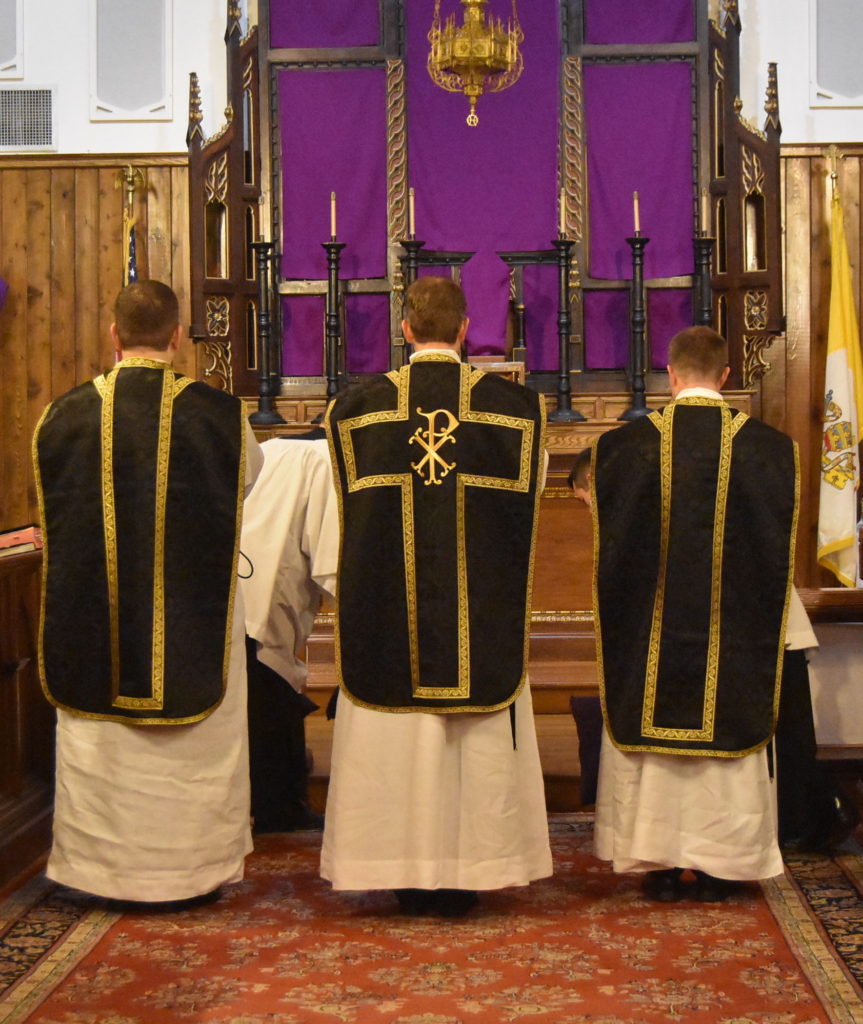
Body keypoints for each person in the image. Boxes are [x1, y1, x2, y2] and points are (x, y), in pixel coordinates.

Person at [321, 276, 552, 916]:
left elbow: (343, 519)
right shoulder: (517, 411)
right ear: (465, 331)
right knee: (474, 747)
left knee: (394, 743)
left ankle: (397, 868)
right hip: (481, 619)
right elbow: (527, 511)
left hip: (387, 621)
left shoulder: (355, 411)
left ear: (405, 330)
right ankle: (473, 867)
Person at [33, 279, 263, 906]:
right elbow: (244, 484)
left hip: (97, 617)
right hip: (194, 613)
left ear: (113, 334)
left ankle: (101, 872)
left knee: (103, 744)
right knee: (196, 743)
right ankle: (193, 872)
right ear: (178, 337)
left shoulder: (63, 415)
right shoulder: (220, 416)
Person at [592, 325, 798, 902]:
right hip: (730, 641)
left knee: (653, 743)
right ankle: (721, 865)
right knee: (724, 732)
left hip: (650, 639)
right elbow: (769, 554)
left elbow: (617, 556)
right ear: (726, 376)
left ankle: (656, 860)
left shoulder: (624, 449)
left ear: (671, 374)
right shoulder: (770, 450)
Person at [240, 428, 339, 832]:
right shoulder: (325, 460)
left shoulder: (270, 449)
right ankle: (278, 807)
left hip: (238, 588)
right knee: (269, 688)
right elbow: (331, 557)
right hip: (268, 595)